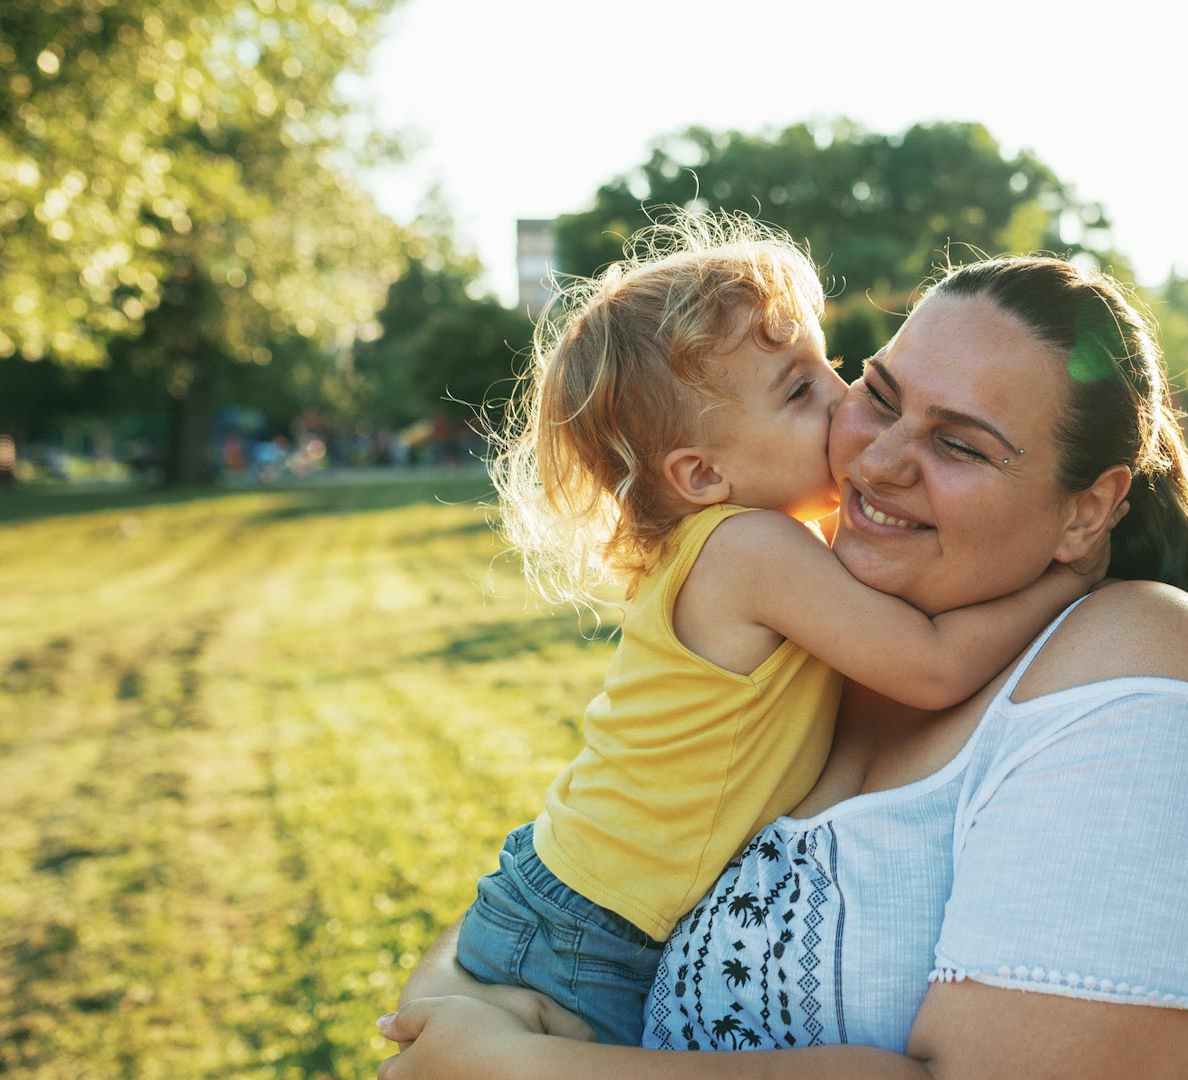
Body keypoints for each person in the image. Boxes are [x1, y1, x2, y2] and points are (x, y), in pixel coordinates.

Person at [381, 254, 1188, 1078]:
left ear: (1086, 514)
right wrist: (471, 1027)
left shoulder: (1133, 657)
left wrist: (521, 1066)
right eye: (882, 395)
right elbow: (540, 906)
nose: (879, 457)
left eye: (960, 444)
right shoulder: (805, 613)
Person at [441, 220, 1100, 1046]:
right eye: (797, 390)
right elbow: (931, 667)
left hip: (588, 896)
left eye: (831, 365)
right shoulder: (748, 549)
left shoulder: (745, 547)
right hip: (587, 930)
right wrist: (1066, 581)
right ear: (703, 475)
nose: (841, 396)